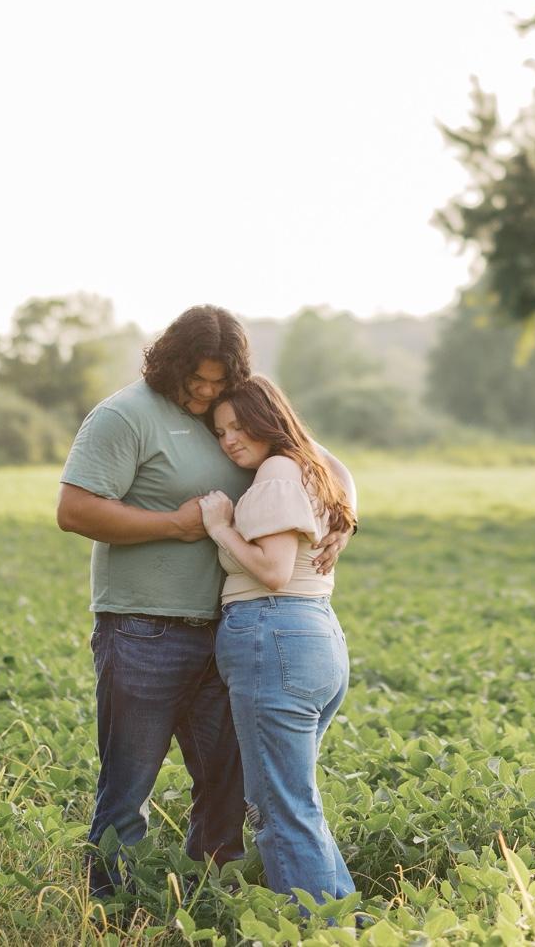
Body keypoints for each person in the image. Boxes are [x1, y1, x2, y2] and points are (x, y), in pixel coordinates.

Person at [55, 305, 354, 898]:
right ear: (167, 361)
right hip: (145, 630)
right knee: (128, 785)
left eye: (219, 380)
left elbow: (325, 462)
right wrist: (175, 524)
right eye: (197, 377)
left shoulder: (237, 414)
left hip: (231, 632)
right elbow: (74, 511)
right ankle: (114, 908)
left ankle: (207, 898)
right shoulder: (125, 415)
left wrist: (347, 518)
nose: (207, 390)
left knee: (225, 785)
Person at [198, 375, 357, 906]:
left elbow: (272, 569)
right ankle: (342, 926)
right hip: (314, 635)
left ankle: (317, 932)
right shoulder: (310, 468)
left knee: (279, 807)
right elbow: (340, 468)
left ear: (270, 421)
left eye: (240, 426)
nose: (230, 440)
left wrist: (222, 527)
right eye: (220, 432)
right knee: (295, 802)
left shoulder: (276, 471)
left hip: (275, 633)